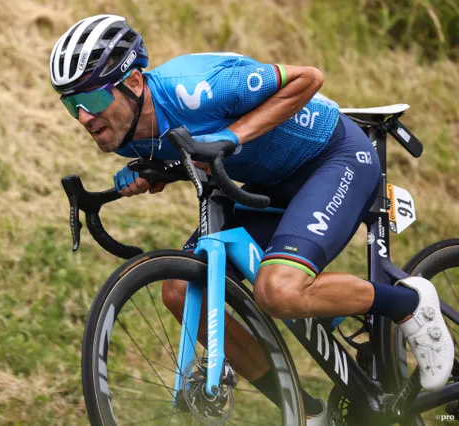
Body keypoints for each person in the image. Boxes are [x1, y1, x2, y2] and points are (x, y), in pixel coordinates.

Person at [49, 14, 455, 423]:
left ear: (134, 83)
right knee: (179, 289)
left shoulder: (199, 88)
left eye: (95, 99)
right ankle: (307, 410)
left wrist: (232, 137)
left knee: (278, 290)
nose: (84, 117)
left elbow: (308, 78)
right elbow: (193, 149)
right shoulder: (123, 131)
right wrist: (155, 171)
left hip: (332, 160)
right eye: (71, 104)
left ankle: (410, 303)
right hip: (265, 189)